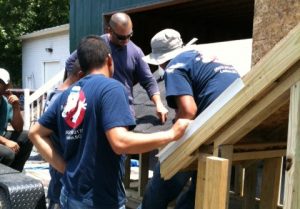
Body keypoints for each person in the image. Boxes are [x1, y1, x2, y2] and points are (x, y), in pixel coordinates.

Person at [28, 35, 190, 209]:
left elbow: (34, 133)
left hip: (69, 194)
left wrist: (64, 168)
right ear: (109, 60)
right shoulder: (111, 88)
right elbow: (120, 142)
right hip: (99, 199)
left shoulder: (67, 94)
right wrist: (171, 134)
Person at [140, 29, 241, 209]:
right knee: (201, 183)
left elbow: (188, 110)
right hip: (237, 120)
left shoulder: (174, 67)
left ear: (161, 61)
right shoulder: (202, 56)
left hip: (213, 121)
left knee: (165, 176)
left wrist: (172, 134)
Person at [69, 12, 168, 123]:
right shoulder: (95, 46)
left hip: (124, 111)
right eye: (121, 37)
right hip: (97, 109)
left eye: (129, 35)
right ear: (109, 30)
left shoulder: (136, 52)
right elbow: (71, 62)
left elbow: (148, 80)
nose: (126, 41)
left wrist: (159, 104)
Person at [46, 59, 83, 209]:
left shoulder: (56, 94)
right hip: (63, 166)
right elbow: (38, 133)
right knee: (58, 199)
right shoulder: (62, 99)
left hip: (61, 166)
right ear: (80, 76)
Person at [0, 68, 33, 172]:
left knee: (27, 136)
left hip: (1, 136)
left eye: (1, 82)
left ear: (7, 86)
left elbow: (18, 128)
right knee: (8, 154)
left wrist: (16, 106)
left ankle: (14, 175)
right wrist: (6, 142)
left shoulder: (5, 102)